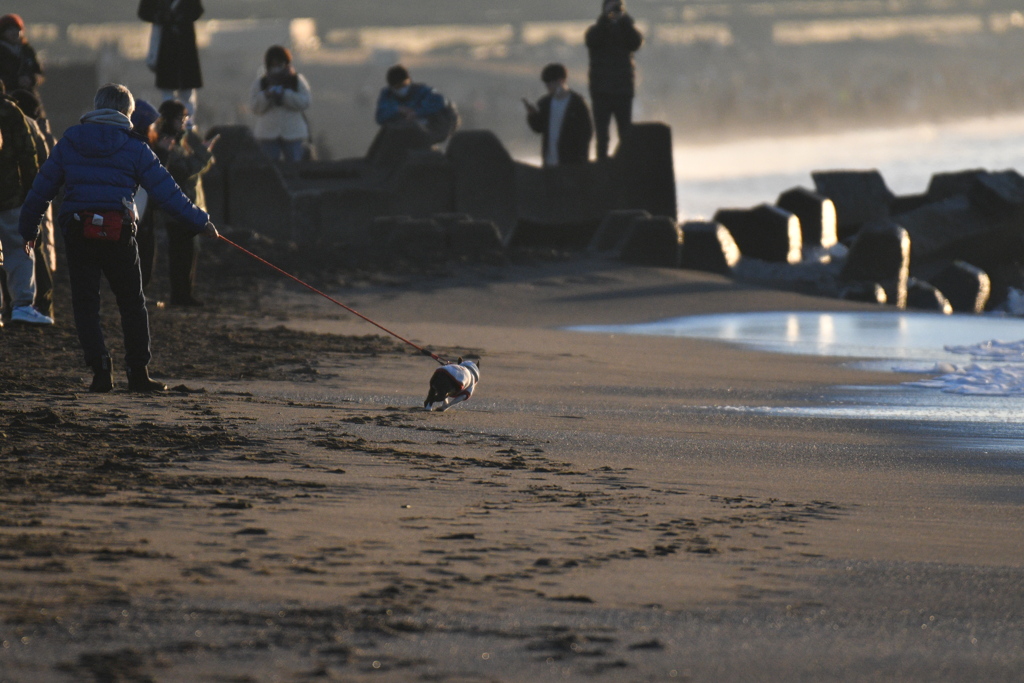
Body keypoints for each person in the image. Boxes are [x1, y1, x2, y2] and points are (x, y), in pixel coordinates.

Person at [18, 84, 219, 393]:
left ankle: (100, 371)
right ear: (127, 113)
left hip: (78, 228)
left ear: (97, 107)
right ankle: (138, 372)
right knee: (132, 303)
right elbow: (168, 192)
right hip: (118, 231)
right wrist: (200, 221)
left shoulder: (71, 139)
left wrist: (29, 230)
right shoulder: (135, 146)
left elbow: (41, 189)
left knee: (86, 304)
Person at [149, 99, 217, 306]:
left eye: (186, 118)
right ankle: (180, 295)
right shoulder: (166, 144)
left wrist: (204, 153)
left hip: (190, 207)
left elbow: (196, 168)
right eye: (181, 118)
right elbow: (184, 170)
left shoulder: (180, 142)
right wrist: (204, 152)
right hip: (178, 211)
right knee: (181, 254)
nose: (185, 122)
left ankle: (184, 293)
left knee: (190, 252)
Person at [0, 79, 50, 326]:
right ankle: (21, 305)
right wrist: (33, 190)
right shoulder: (11, 112)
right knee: (20, 252)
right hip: (10, 196)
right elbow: (28, 154)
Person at [9, 88, 55, 320]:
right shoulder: (19, 119)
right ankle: (34, 304)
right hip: (17, 197)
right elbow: (34, 158)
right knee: (27, 248)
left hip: (14, 197)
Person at [585, 0, 643, 160]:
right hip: (601, 92)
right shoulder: (596, 30)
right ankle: (602, 164)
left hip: (622, 91)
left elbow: (636, 42)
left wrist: (624, 21)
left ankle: (626, 164)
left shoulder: (626, 30)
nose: (614, 12)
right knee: (602, 136)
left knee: (625, 133)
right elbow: (591, 41)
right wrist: (604, 20)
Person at [369, 65, 457, 165]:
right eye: (397, 87)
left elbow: (441, 101)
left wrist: (417, 113)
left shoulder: (422, 91)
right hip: (403, 135)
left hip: (430, 128)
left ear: (409, 81)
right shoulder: (387, 95)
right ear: (391, 87)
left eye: (404, 84)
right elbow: (380, 117)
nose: (402, 89)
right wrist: (398, 109)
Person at [137, 0, 204, 119]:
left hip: (180, 47)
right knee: (172, 94)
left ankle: (184, 124)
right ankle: (174, 123)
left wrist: (175, 17)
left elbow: (197, 11)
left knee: (182, 93)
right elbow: (144, 12)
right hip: (170, 47)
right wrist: (165, 17)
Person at [523, 63, 594, 167]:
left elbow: (586, 133)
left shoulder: (577, 103)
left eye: (550, 84)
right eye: (546, 84)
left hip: (572, 164)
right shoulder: (544, 103)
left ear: (561, 80)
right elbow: (538, 128)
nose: (548, 87)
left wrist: (580, 158)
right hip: (549, 162)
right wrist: (532, 115)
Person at [249, 45, 311, 162]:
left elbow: (305, 102)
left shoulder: (296, 81)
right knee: (269, 168)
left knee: (294, 166)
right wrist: (266, 95)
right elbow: (254, 107)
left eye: (280, 64)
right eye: (273, 65)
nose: (276, 68)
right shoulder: (261, 83)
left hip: (293, 133)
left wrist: (285, 95)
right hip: (267, 133)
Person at [0, 14, 44, 103]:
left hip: (29, 98)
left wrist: (31, 80)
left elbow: (39, 73)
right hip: (6, 100)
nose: (14, 32)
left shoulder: (27, 50)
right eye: (9, 29)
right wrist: (16, 81)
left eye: (17, 29)